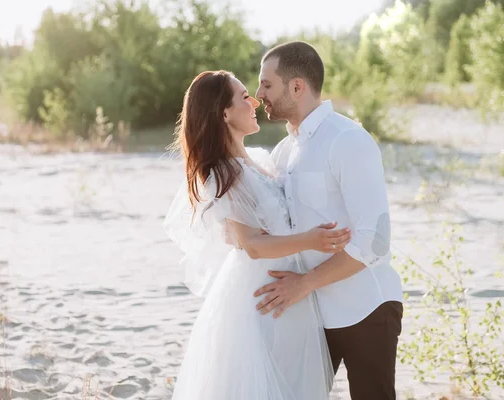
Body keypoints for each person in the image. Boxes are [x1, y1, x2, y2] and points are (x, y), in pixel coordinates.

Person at [163, 70, 350, 399]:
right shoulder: (222, 174)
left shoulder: (261, 160)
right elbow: (252, 245)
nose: (254, 103)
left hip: (291, 289)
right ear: (225, 113)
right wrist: (311, 239)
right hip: (259, 295)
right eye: (244, 97)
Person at [253, 41, 404, 400]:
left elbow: (375, 240)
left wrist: (305, 283)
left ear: (296, 87)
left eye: (266, 85)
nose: (259, 94)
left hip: (366, 309)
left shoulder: (348, 140)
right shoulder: (284, 151)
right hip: (310, 313)